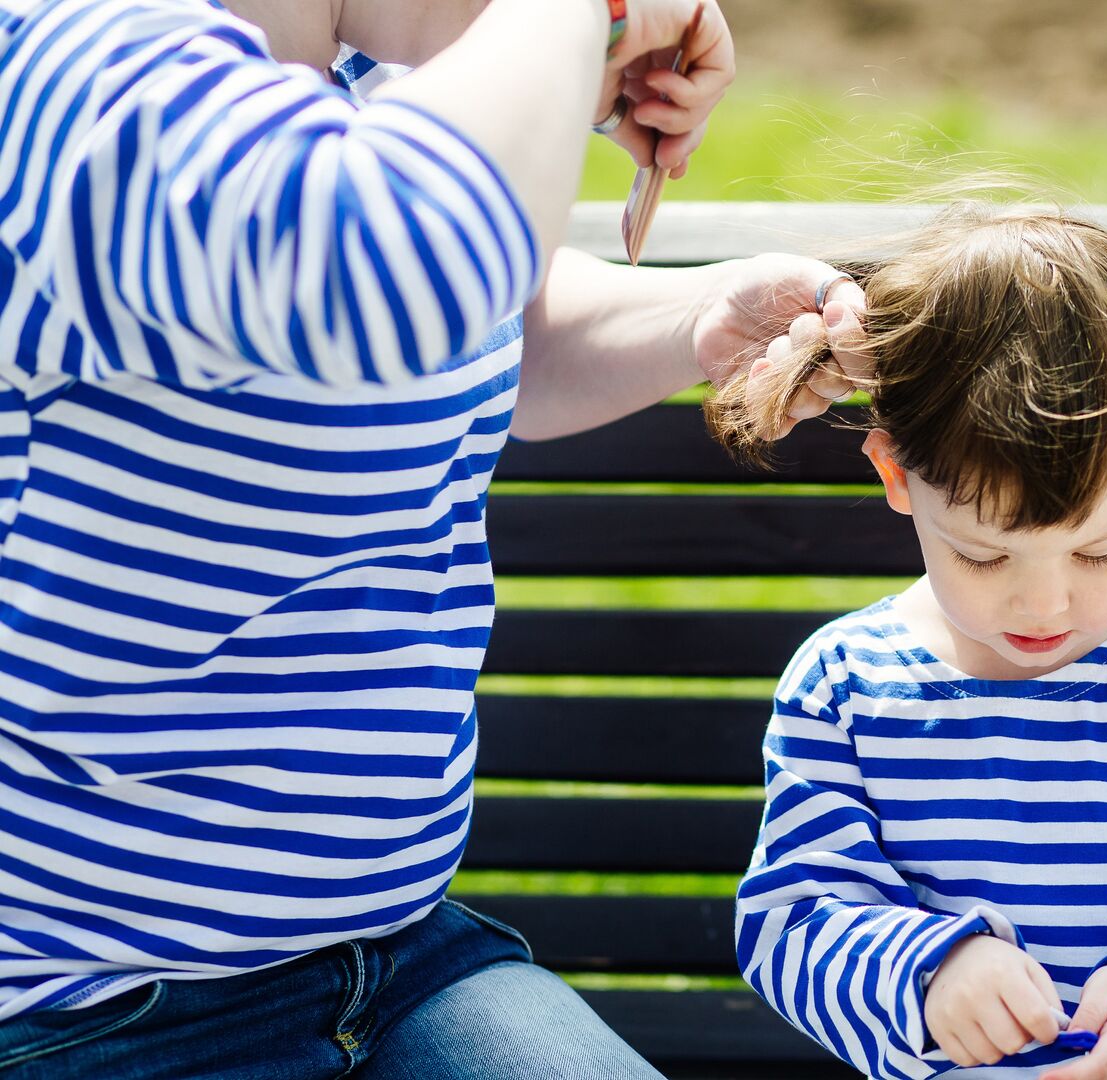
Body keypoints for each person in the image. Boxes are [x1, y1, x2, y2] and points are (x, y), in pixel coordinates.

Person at [0, 0, 866, 1075]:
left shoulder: (361, 82)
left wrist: (697, 321)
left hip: (395, 957)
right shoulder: (68, 66)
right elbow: (394, 264)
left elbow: (491, 322)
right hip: (93, 1011)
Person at [723, 204, 1107, 1080]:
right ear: (897, 476)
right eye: (982, 552)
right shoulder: (845, 685)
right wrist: (927, 970)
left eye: (1098, 549)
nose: (1046, 603)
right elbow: (798, 914)